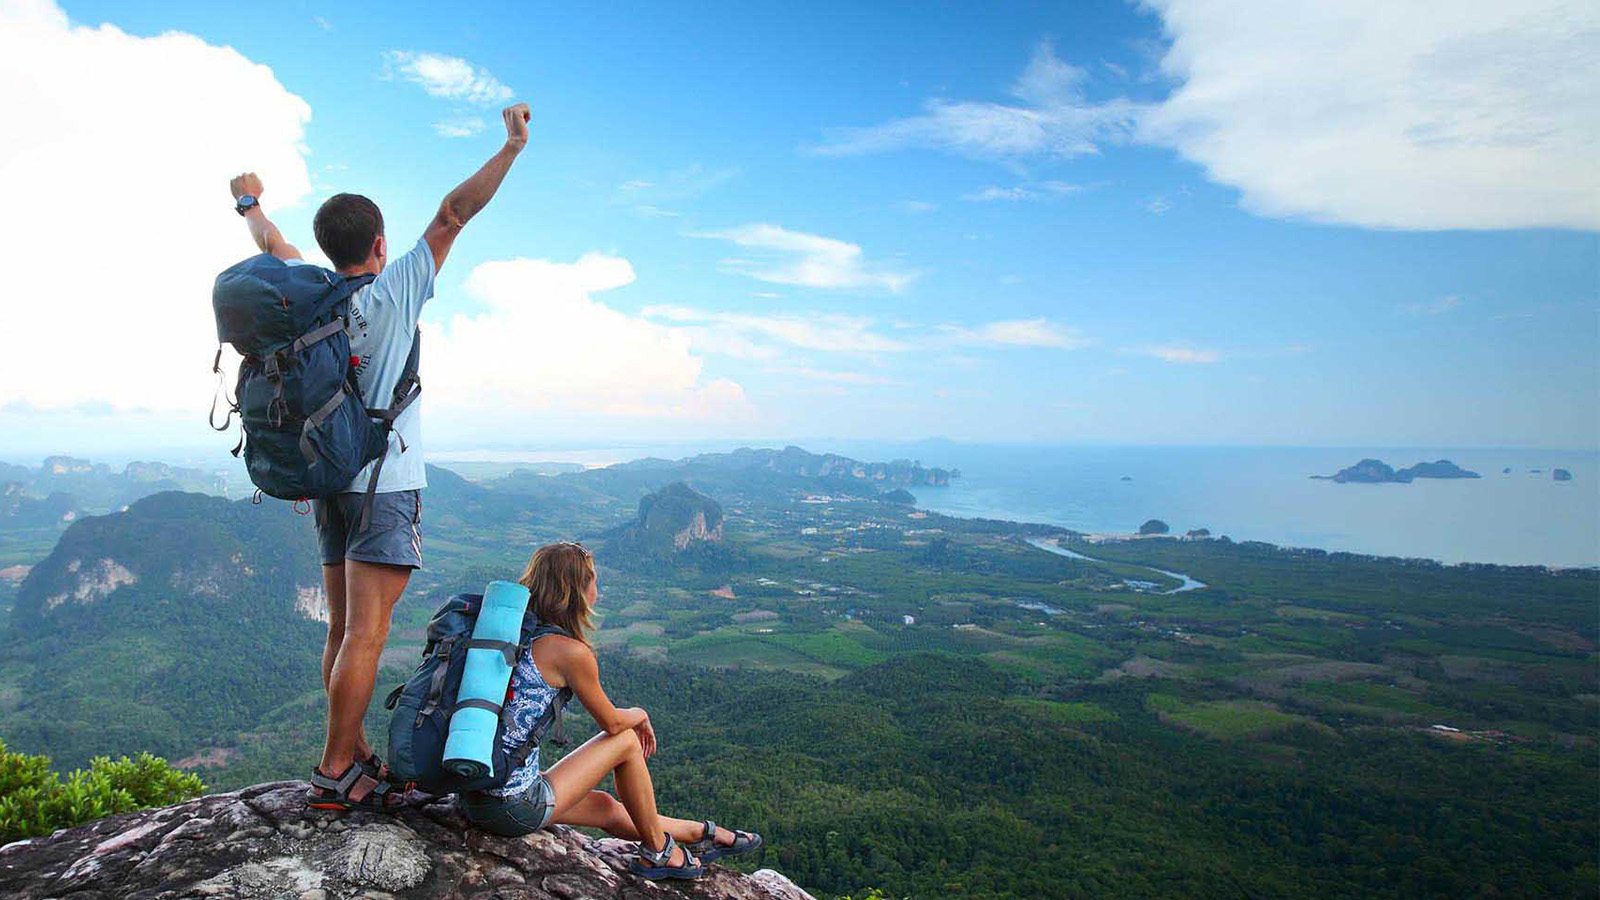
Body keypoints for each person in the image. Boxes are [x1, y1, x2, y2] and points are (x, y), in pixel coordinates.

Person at [228, 103, 534, 811]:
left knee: (342, 631)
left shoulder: (310, 296)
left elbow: (272, 243)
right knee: (367, 635)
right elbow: (454, 214)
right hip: (383, 486)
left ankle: (352, 748)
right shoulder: (393, 291)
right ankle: (336, 768)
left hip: (328, 480)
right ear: (379, 242)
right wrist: (511, 148)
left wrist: (249, 203)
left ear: (327, 246)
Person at [461, 542, 763, 880]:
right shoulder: (569, 652)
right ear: (575, 591)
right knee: (627, 741)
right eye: (594, 582)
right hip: (511, 806)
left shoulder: (507, 633)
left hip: (476, 795)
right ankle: (659, 851)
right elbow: (613, 723)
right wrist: (640, 713)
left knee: (606, 806)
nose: (598, 592)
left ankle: (701, 832)